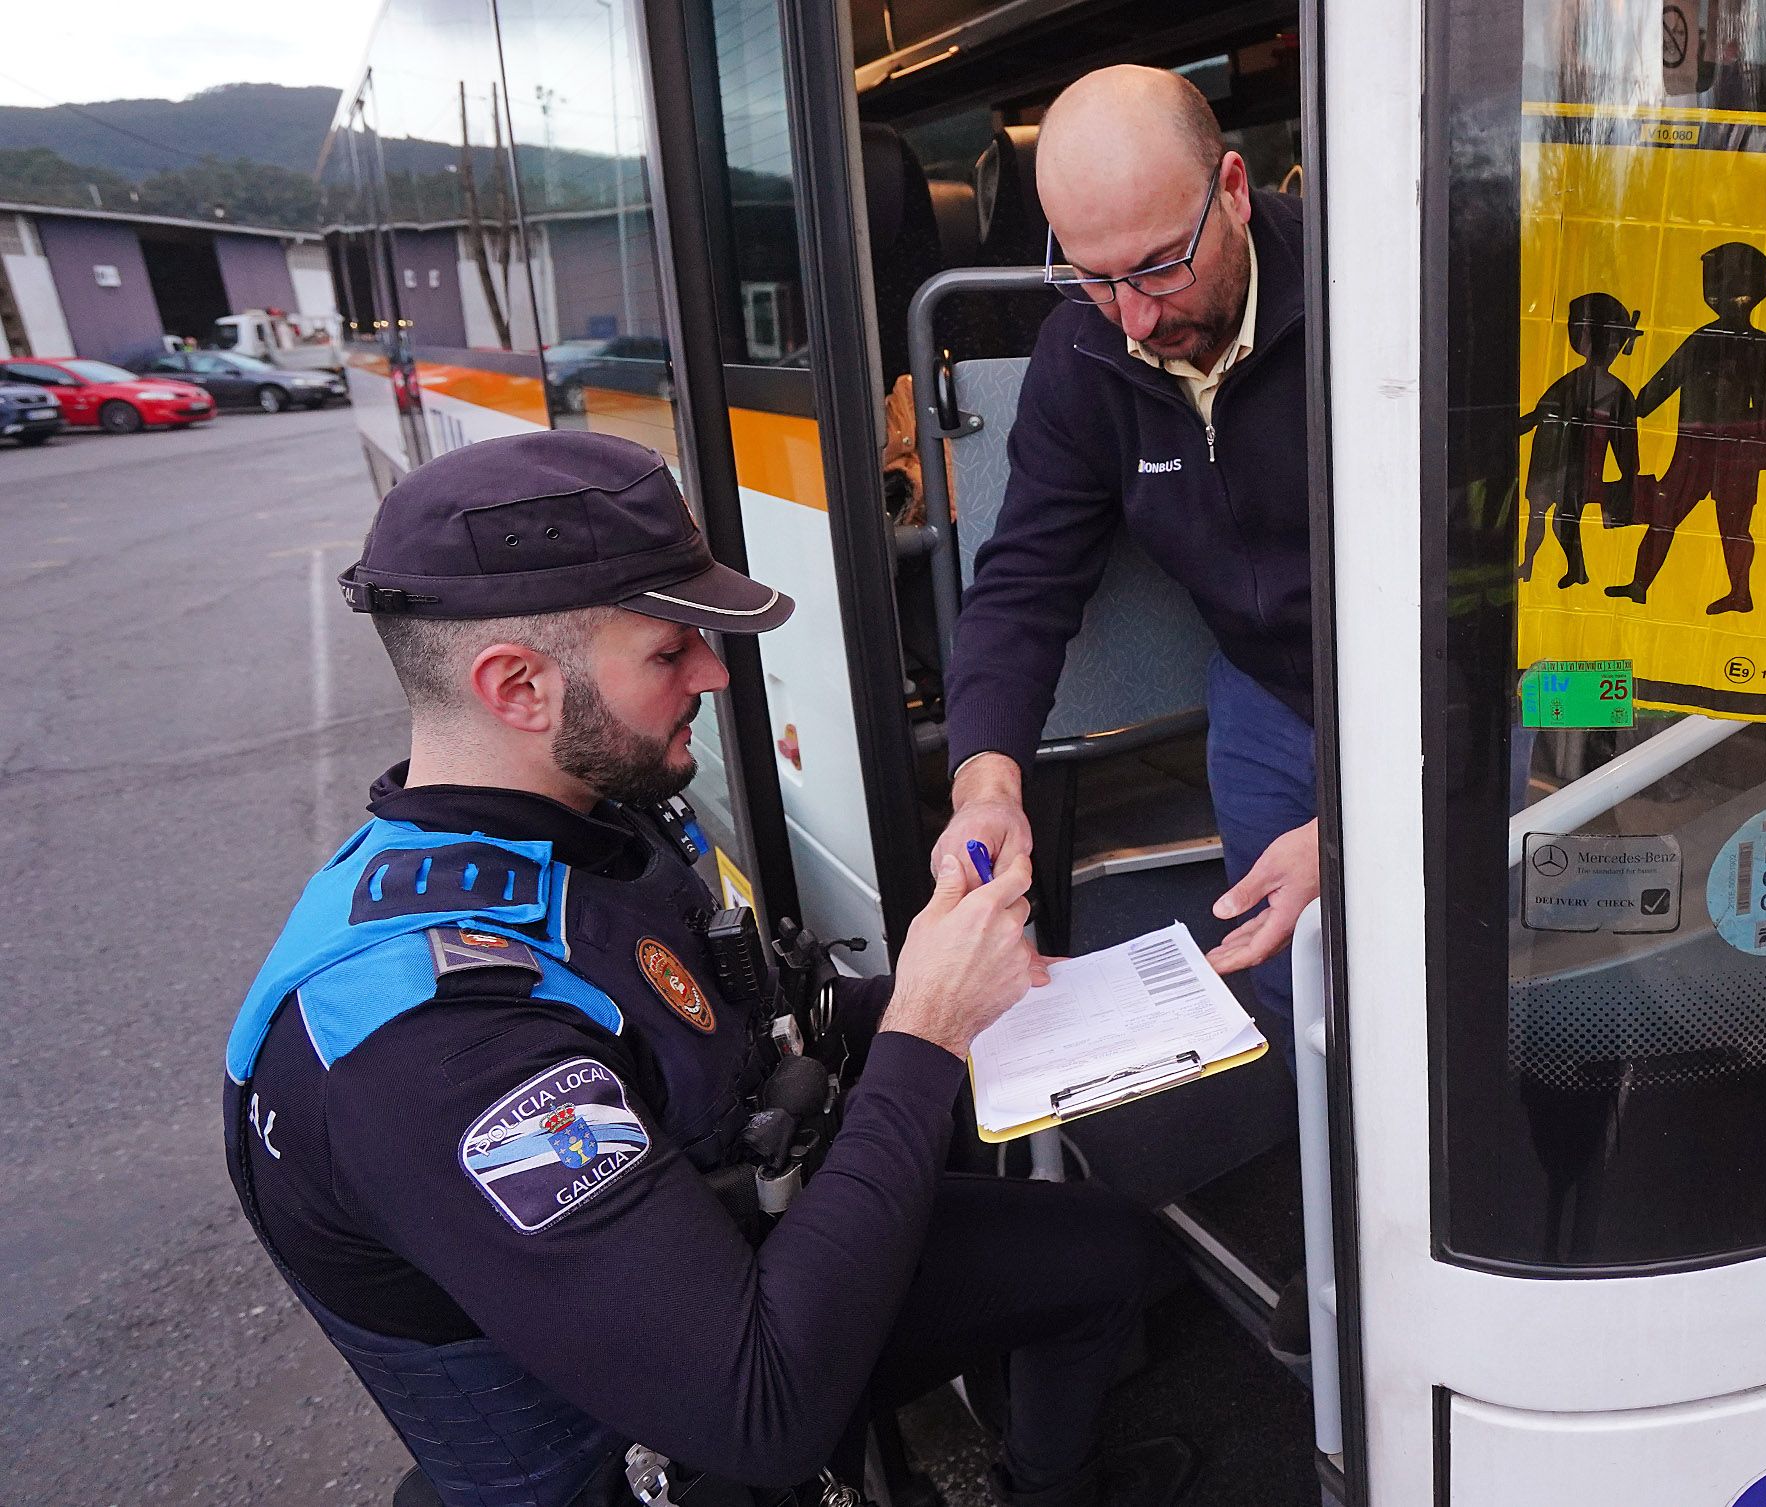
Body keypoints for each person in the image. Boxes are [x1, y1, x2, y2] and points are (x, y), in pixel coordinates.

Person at [224, 431, 1192, 1507]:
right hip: (665, 1437)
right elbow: (763, 1410)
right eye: (668, 649)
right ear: (519, 687)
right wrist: (925, 1028)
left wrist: (995, 997)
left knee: (1104, 1256)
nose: (713, 672)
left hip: (738, 1259)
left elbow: (755, 1023)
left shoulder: (578, 832)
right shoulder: (436, 1049)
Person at [936, 67, 1314, 1210]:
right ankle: (1352, 1212)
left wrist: (1361, 830)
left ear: (1234, 190)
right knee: (1299, 981)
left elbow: (1506, 601)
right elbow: (1021, 587)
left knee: (1485, 968)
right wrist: (983, 784)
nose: (1137, 318)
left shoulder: (1381, 288)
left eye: (1157, 265)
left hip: (1466, 687)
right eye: (1093, 280)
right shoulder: (1082, 357)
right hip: (1266, 696)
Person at [1605, 240, 1766, 614]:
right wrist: (1631, 407)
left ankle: (1740, 593)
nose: (1711, 288)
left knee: (1734, 526)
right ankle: (1640, 584)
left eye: (1717, 278)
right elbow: (1663, 384)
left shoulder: (1765, 346)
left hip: (1735, 455)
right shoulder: (1703, 339)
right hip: (1693, 450)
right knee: (1664, 517)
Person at [1517, 291, 1645, 588]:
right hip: (1550, 458)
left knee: (1563, 519)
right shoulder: (1573, 381)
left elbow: (1625, 442)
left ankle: (1575, 569)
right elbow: (1541, 412)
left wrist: (1629, 478)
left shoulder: (1618, 393)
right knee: (1540, 514)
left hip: (1579, 467)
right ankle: (1530, 564)